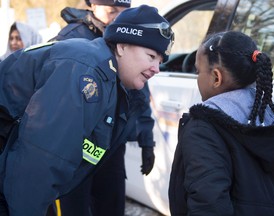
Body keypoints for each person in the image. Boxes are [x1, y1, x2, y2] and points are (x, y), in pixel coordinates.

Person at [0, 4, 174, 216]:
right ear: (122, 47)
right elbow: (41, 160)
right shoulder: (84, 71)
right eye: (151, 56)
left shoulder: (113, 78)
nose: (157, 68)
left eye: (160, 60)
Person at [48, 1, 157, 215]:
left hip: (111, 146)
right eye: (111, 11)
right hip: (75, 149)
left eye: (123, 12)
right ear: (93, 6)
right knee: (74, 208)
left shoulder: (131, 38)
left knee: (112, 206)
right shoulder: (71, 37)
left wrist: (146, 140)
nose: (118, 18)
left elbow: (139, 94)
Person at [168, 31, 274, 216]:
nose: (197, 77)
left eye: (198, 71)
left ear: (216, 77)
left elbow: (208, 205)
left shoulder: (203, 129)